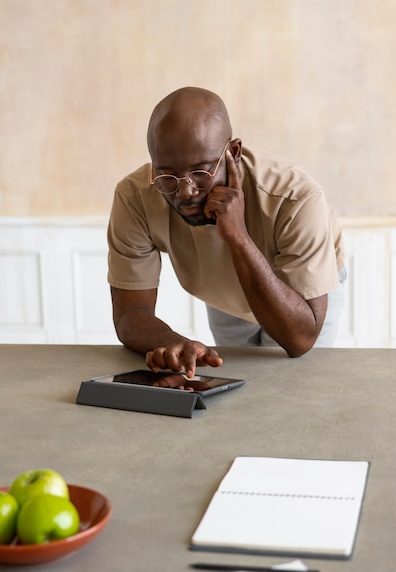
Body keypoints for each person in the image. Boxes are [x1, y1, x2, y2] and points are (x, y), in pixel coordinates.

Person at [107, 86, 346, 377]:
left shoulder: (296, 198)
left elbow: (300, 339)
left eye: (201, 171)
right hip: (221, 290)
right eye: (167, 174)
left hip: (296, 293)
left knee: (295, 383)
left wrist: (238, 236)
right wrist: (177, 345)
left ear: (233, 152)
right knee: (240, 384)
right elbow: (130, 314)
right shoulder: (135, 197)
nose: (185, 191)